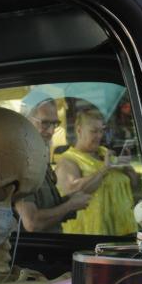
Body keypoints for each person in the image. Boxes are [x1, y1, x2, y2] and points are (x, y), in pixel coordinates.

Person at [55, 109, 139, 235]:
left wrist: (127, 167)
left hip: (125, 230)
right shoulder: (68, 161)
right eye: (94, 131)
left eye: (101, 130)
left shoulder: (106, 153)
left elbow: (135, 187)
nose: (99, 136)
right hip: (91, 236)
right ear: (79, 130)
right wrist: (104, 169)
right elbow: (73, 193)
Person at [15, 99, 91, 232]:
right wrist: (70, 205)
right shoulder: (21, 163)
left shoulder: (37, 158)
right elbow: (32, 222)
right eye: (45, 123)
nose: (51, 131)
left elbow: (45, 207)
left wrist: (69, 200)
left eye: (55, 124)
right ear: (25, 122)